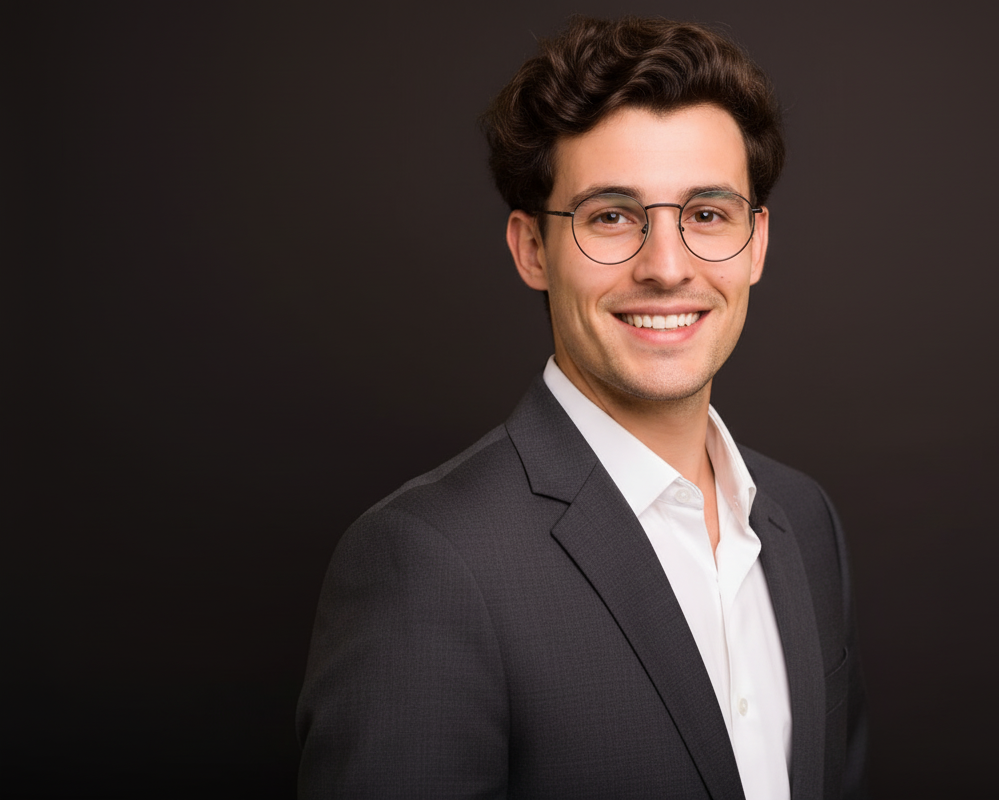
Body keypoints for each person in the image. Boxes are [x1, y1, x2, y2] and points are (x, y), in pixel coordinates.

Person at [297, 15, 868, 799]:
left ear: (757, 242)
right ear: (532, 249)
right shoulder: (428, 565)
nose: (666, 267)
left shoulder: (805, 521)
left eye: (707, 214)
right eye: (612, 216)